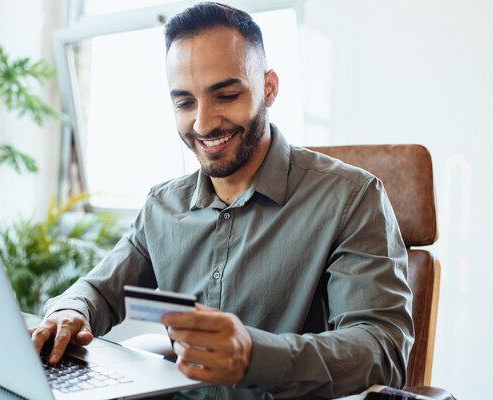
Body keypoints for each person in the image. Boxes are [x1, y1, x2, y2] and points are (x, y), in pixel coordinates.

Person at [30, 2, 414, 399]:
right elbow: (101, 290)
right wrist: (70, 310)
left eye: (226, 95)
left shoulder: (350, 198)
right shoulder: (163, 206)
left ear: (269, 87)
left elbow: (382, 350)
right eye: (184, 102)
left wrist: (254, 355)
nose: (203, 123)